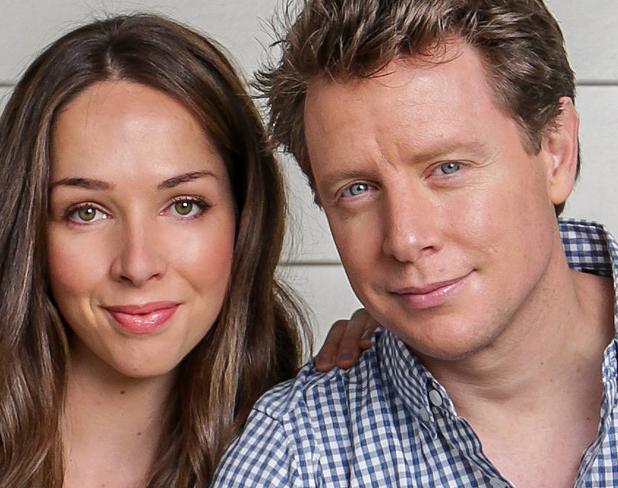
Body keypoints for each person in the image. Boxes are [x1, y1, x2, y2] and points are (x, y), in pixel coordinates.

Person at [213, 0, 618, 486]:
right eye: (356, 189)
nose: (405, 239)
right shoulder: (291, 461)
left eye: (447, 168)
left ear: (556, 152)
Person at [0, 13, 363, 487]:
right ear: (27, 229)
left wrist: (400, 347)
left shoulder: (308, 452)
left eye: (184, 205)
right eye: (87, 211)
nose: (138, 265)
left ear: (245, 220)